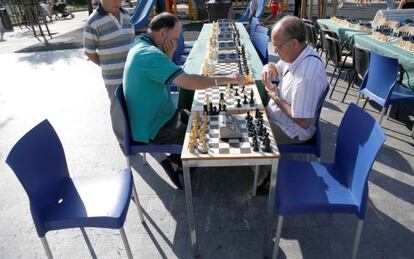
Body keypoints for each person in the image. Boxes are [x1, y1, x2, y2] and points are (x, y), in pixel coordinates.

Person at [123, 13, 246, 189]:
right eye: (175, 37)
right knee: (207, 136)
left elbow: (160, 73)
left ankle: (177, 160)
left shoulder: (141, 44)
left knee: (204, 119)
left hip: (159, 116)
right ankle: (173, 162)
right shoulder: (148, 54)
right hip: (155, 128)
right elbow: (188, 82)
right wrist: (226, 78)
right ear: (163, 34)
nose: (177, 40)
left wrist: (169, 55)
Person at [258, 15, 328, 194]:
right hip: (278, 117)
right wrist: (269, 67)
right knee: (244, 114)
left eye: (278, 46)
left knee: (249, 136)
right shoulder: (298, 55)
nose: (275, 49)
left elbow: (303, 121)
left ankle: (267, 176)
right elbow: (279, 66)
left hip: (291, 130)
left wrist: (275, 98)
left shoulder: (306, 76)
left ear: (294, 43)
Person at [83, 0, 135, 148]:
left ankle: (137, 136)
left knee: (134, 107)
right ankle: (124, 142)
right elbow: (89, 51)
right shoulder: (93, 22)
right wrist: (106, 65)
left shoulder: (126, 15)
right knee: (118, 110)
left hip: (132, 75)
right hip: (113, 78)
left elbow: (131, 40)